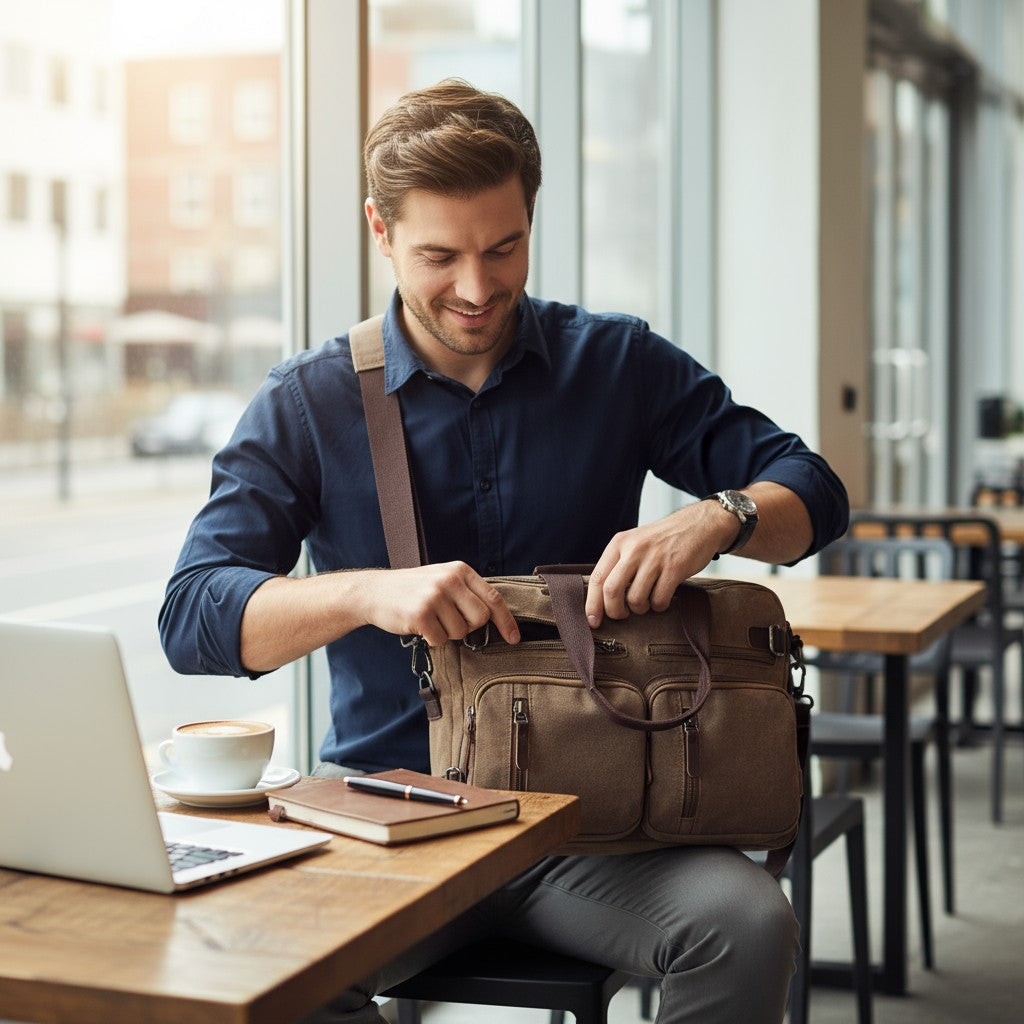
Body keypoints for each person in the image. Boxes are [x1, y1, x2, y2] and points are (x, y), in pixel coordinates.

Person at [160, 79, 849, 1024]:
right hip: (386, 824)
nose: (477, 290)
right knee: (261, 972)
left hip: (599, 825)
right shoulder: (307, 401)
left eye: (504, 248)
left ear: (531, 217)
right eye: (440, 256)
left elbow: (814, 491)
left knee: (748, 924)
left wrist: (716, 517)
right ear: (380, 230)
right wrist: (365, 594)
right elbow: (193, 619)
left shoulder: (618, 363)